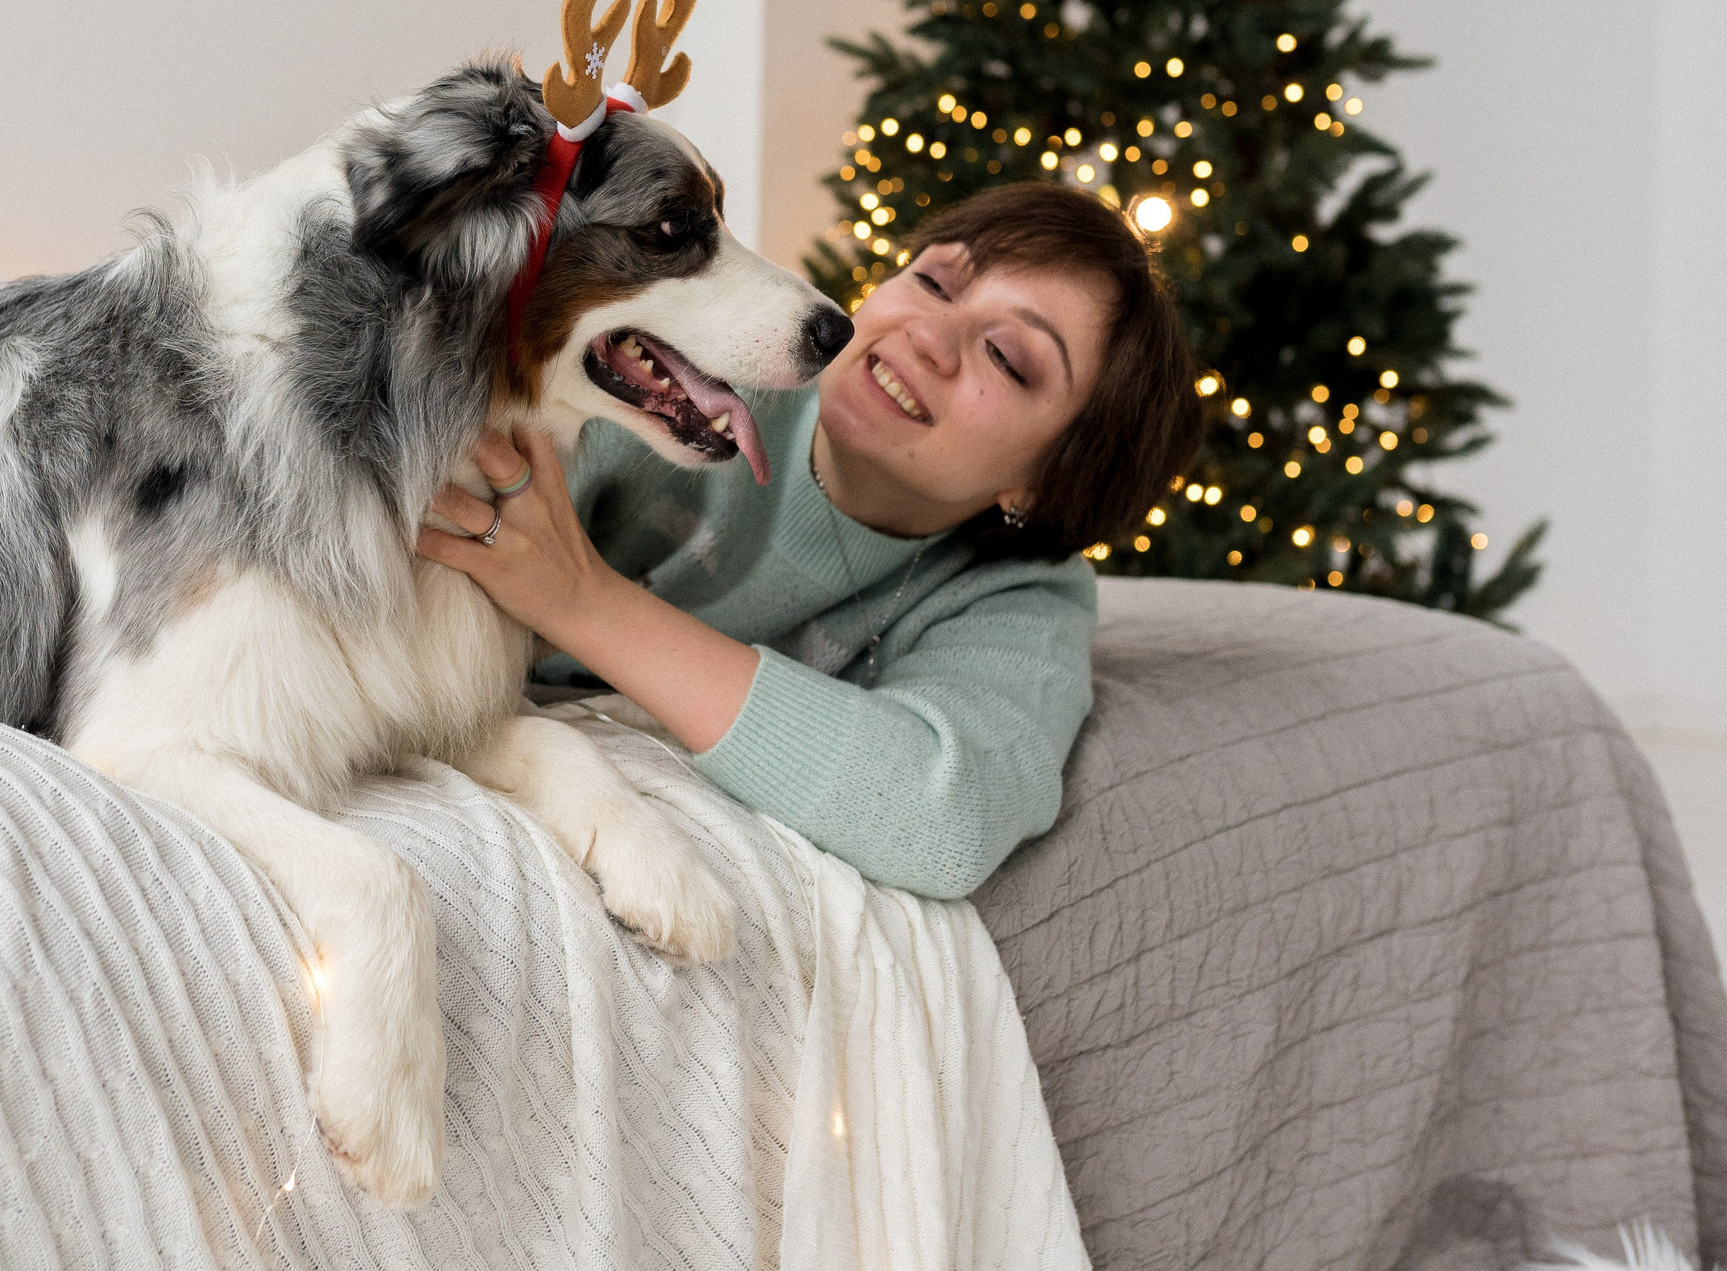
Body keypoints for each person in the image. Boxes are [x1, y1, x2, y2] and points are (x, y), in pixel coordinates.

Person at [418, 182, 1202, 899]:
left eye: (1006, 355)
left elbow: (945, 819)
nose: (929, 334)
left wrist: (584, 602)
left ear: (1048, 478)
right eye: (933, 281)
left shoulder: (1022, 593)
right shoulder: (688, 370)